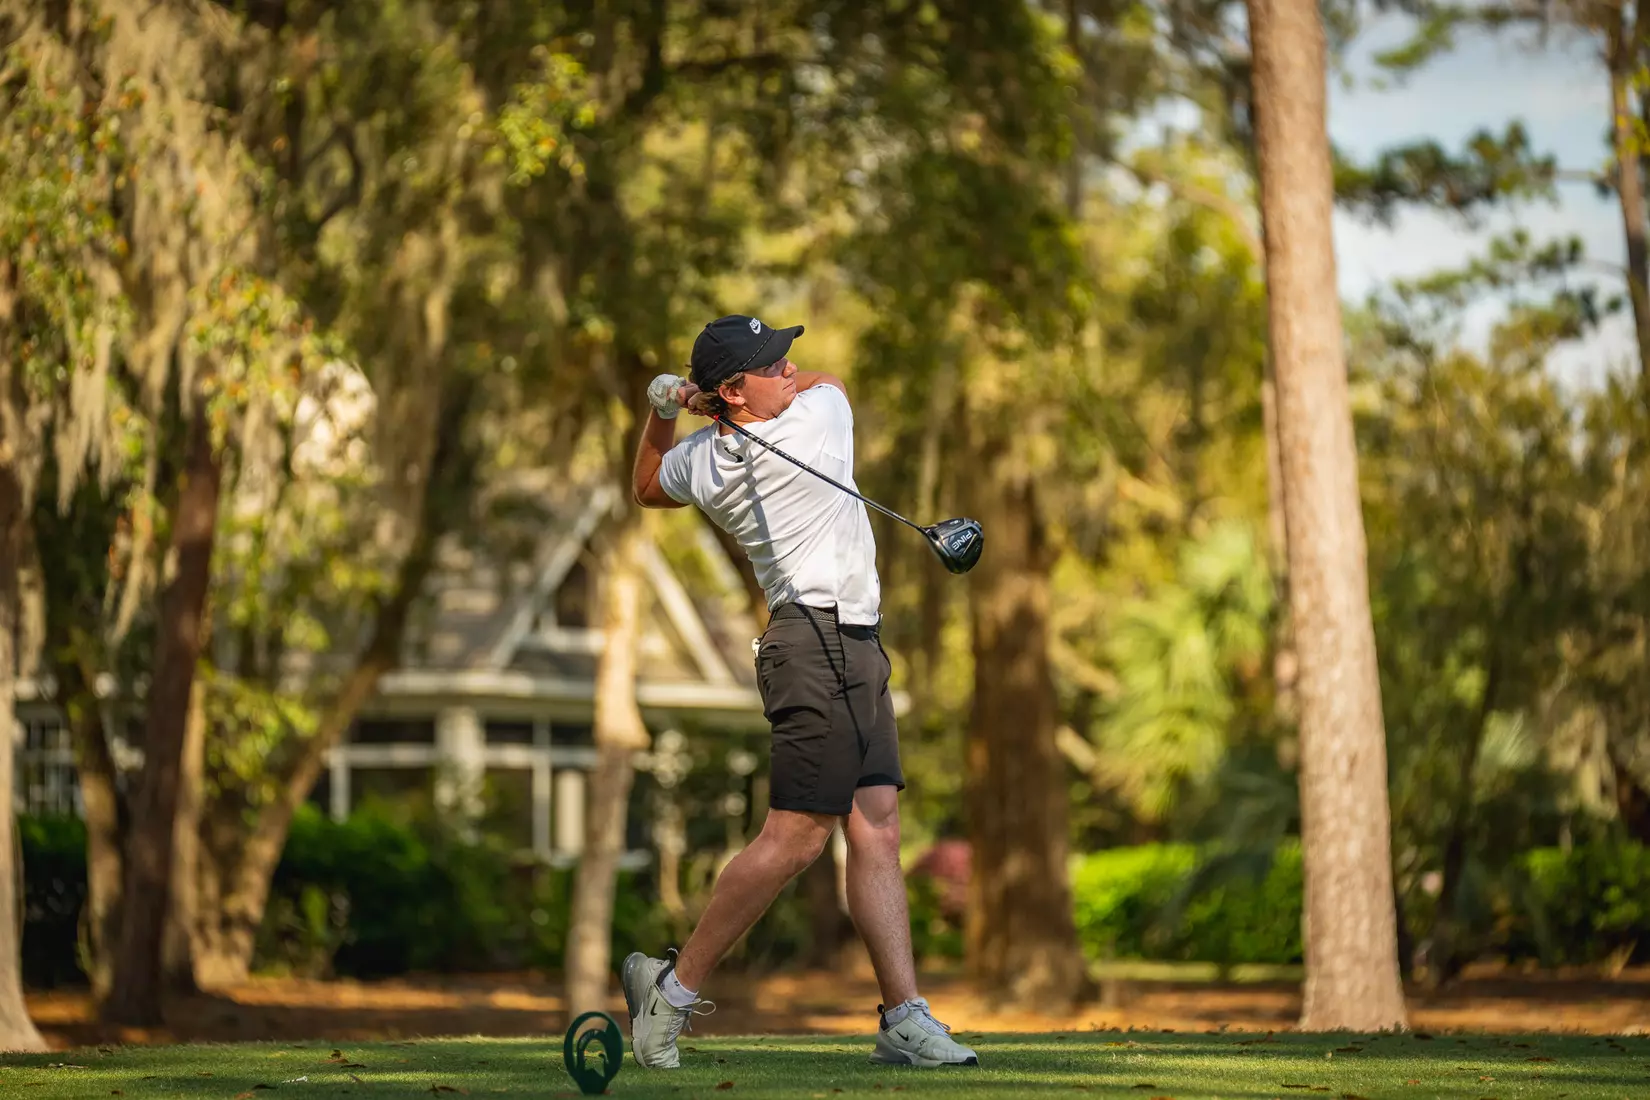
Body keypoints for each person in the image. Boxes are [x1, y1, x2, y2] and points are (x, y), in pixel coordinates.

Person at [624, 314, 979, 1071]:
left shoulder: (703, 462)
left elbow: (647, 487)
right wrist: (702, 399)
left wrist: (667, 409)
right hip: (817, 647)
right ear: (734, 389)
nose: (791, 369)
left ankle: (902, 1017)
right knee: (797, 837)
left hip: (849, 642)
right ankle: (671, 992)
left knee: (877, 826)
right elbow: (831, 381)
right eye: (772, 364)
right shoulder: (819, 420)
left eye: (786, 357)